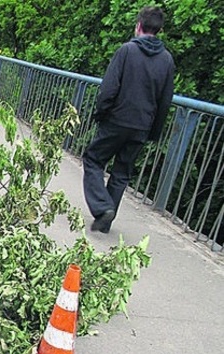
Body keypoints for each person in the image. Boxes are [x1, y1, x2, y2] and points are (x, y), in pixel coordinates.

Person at [83, 6, 174, 233]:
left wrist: (101, 113)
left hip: (117, 120)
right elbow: (164, 102)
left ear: (139, 26)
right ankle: (106, 221)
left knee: (93, 159)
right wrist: (153, 132)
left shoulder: (126, 51)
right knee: (122, 172)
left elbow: (108, 89)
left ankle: (103, 208)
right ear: (158, 30)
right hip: (142, 125)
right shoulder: (167, 60)